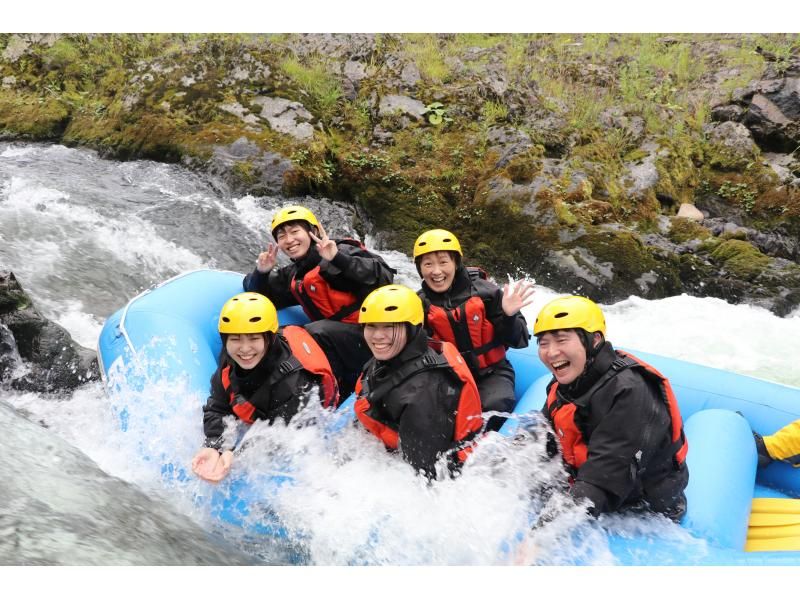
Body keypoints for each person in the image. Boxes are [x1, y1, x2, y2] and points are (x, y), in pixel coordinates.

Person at [533, 295, 689, 521]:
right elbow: (538, 439)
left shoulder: (629, 392)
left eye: (561, 340)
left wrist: (540, 533)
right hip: (583, 481)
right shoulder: (566, 384)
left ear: (594, 340)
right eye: (543, 343)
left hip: (642, 509)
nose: (551, 352)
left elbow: (604, 478)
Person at [243, 205, 396, 395]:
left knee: (316, 332)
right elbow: (257, 296)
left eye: (294, 231)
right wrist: (262, 272)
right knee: (283, 336)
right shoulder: (295, 274)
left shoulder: (341, 250)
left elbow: (384, 276)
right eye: (281, 236)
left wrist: (338, 259)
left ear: (313, 231)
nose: (289, 240)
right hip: (343, 345)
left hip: (377, 339)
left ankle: (330, 391)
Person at [191, 292, 340, 483]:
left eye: (253, 339)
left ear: (268, 339)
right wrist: (214, 445)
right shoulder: (229, 359)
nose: (244, 349)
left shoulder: (293, 386)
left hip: (334, 367)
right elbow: (218, 406)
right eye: (235, 339)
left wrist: (235, 456)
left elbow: (277, 439)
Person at [354, 284, 483, 480]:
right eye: (371, 326)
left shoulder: (422, 395)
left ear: (413, 328)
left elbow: (425, 475)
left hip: (439, 475)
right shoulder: (393, 357)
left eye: (389, 326)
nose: (378, 336)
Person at [413, 229, 534, 432]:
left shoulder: (487, 293)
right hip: (449, 377)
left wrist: (509, 316)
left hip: (491, 373)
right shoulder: (418, 305)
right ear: (419, 269)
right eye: (428, 264)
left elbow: (519, 341)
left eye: (443, 262)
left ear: (456, 263)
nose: (436, 271)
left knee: (495, 406)